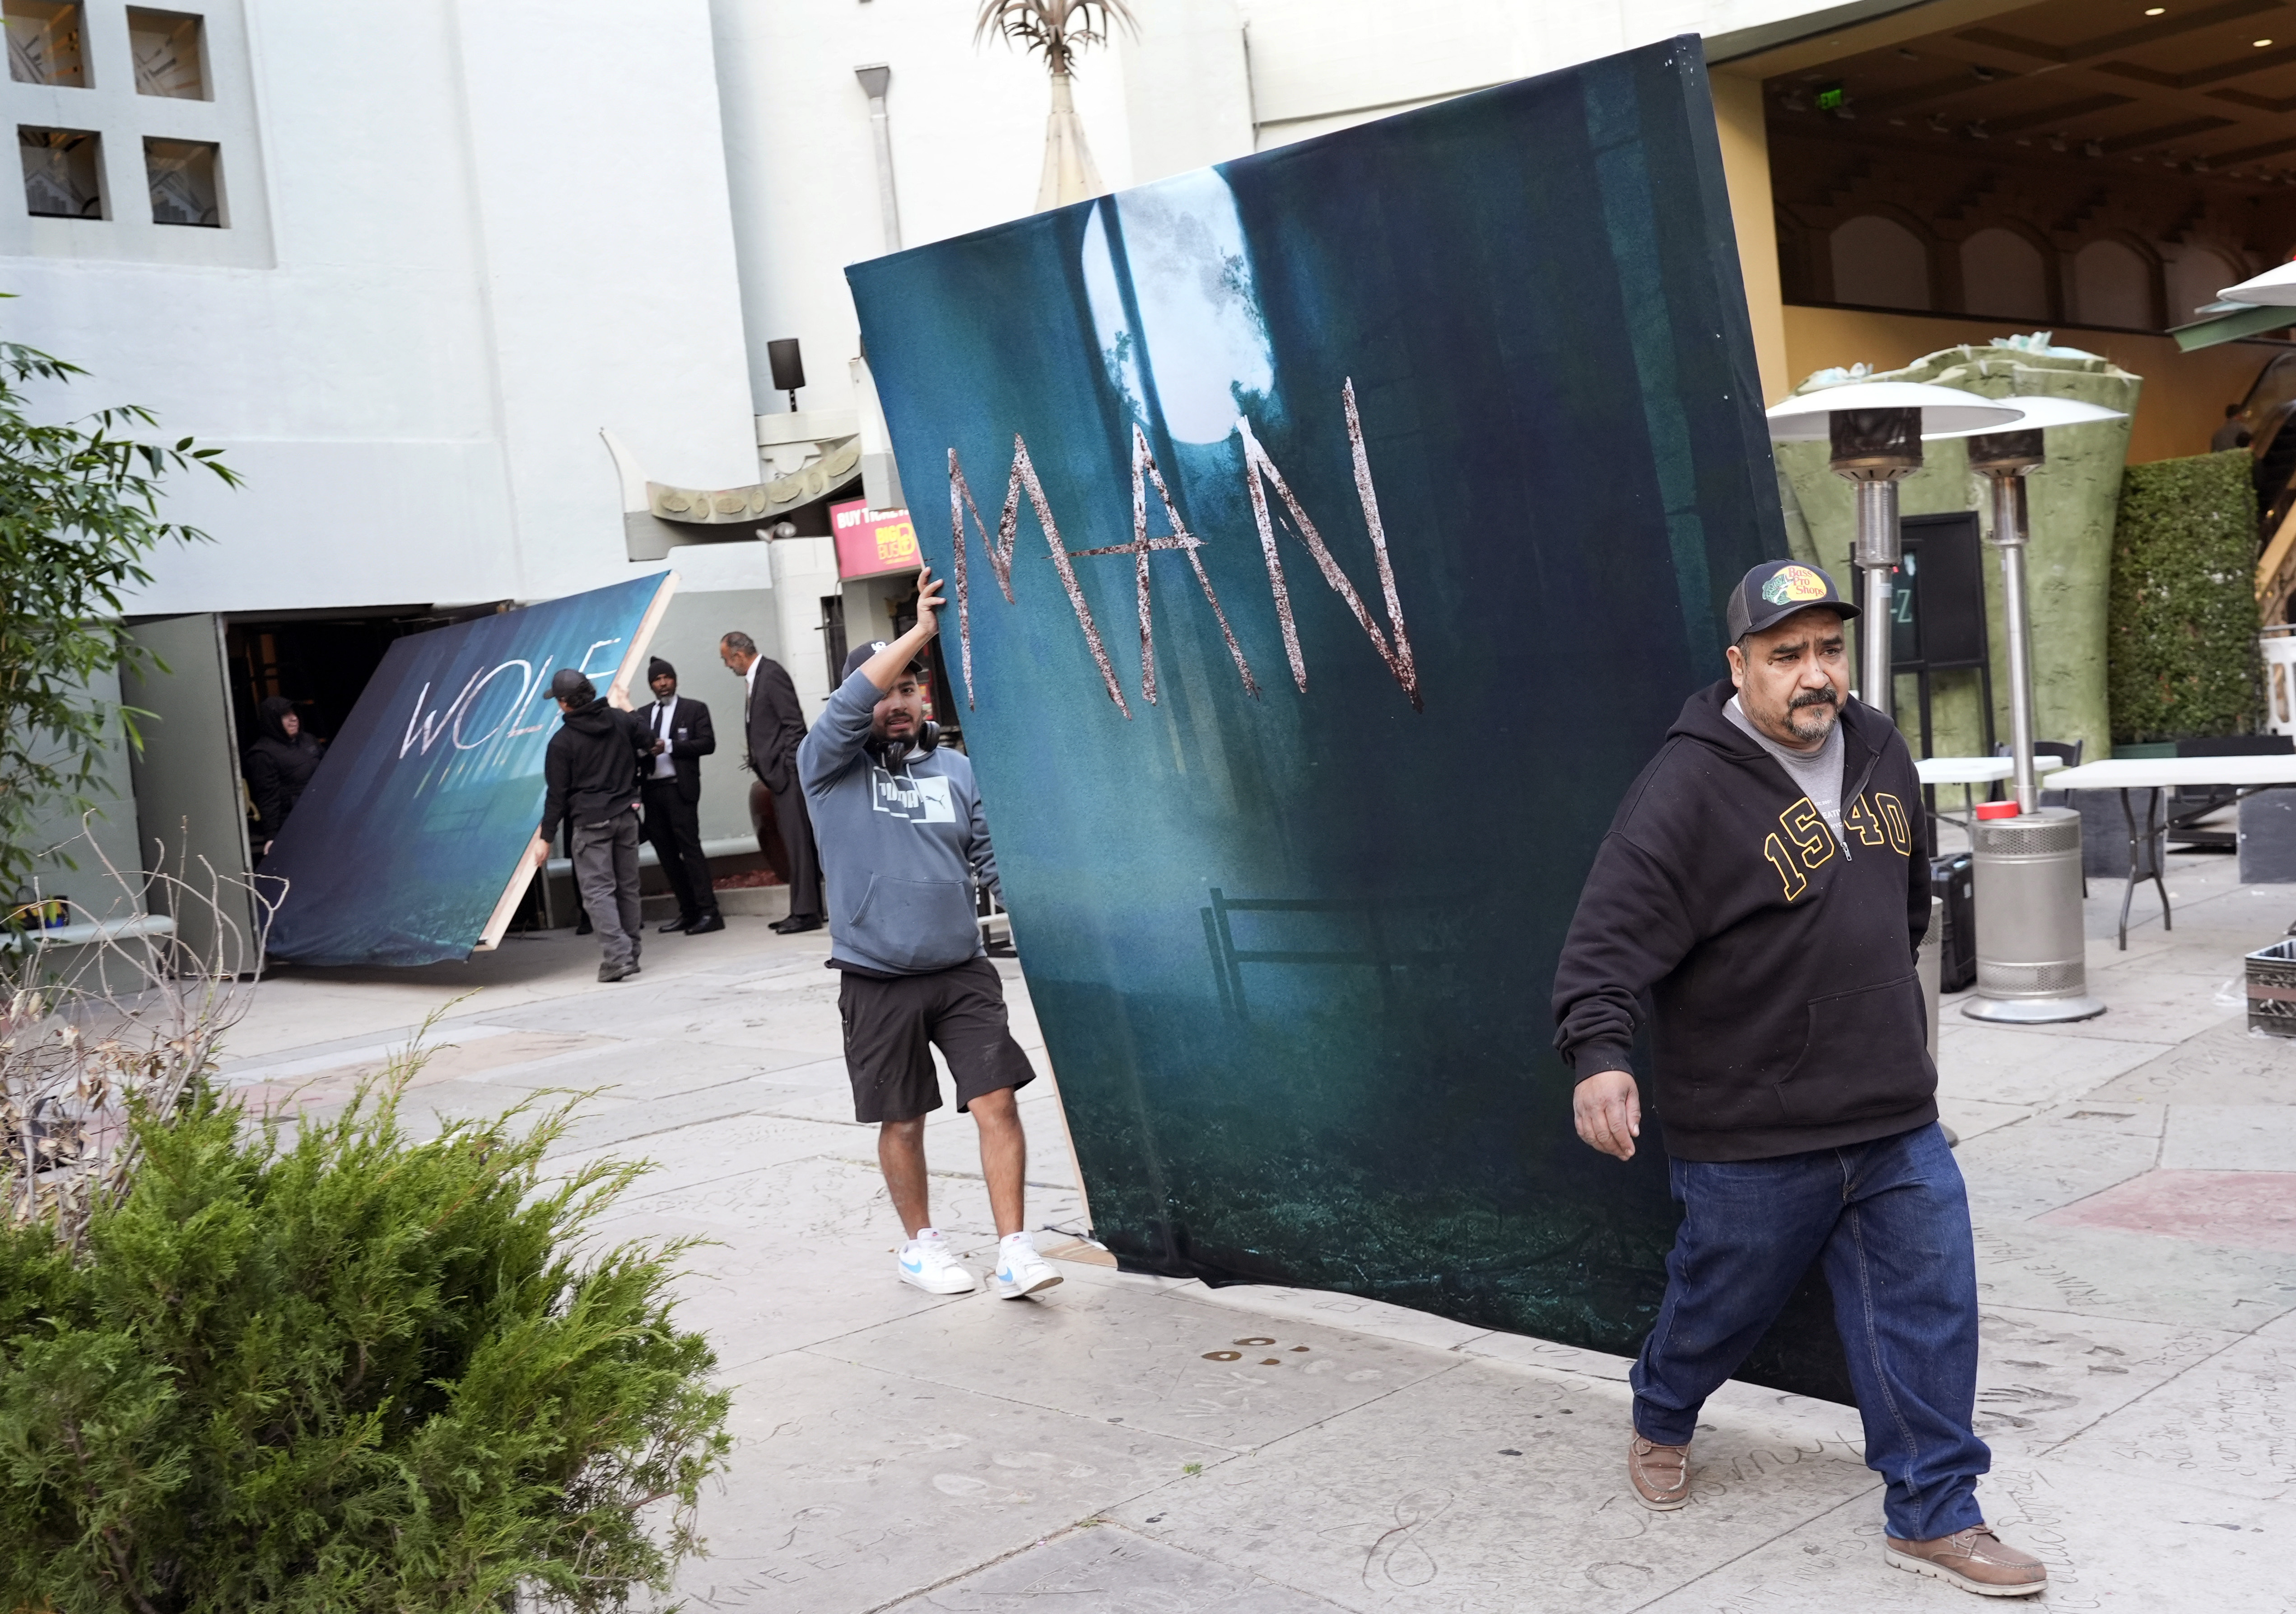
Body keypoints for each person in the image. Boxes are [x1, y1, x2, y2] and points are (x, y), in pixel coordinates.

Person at [1551, 560, 2045, 1600]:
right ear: (1739, 666)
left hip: (1890, 1113)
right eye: (1787, 655)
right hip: (1750, 1128)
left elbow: (1904, 908)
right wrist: (1599, 1058)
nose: (1814, 674)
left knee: (1930, 1305)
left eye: (1827, 648)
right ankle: (1663, 1405)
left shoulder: (1879, 749)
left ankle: (1934, 1508)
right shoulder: (1681, 789)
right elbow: (1603, 949)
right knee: (1717, 1306)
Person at [797, 566, 1059, 1302]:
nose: (899, 700)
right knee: (902, 1118)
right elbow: (850, 705)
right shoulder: (826, 769)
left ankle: (1014, 1246)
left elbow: (993, 860)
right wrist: (917, 630)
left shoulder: (958, 770)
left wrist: (1052, 932)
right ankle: (922, 1245)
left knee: (996, 1096)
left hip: (960, 970)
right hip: (876, 977)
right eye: (886, 690)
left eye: (910, 686)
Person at [536, 668, 650, 983]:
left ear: (563, 704)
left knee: (598, 893)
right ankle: (631, 955)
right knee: (627, 887)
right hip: (627, 817)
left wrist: (546, 838)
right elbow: (649, 739)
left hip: (591, 824)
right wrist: (626, 704)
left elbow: (556, 796)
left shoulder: (562, 742)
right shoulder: (619, 719)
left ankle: (617, 958)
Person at [718, 630, 825, 935]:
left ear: (739, 655)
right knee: (794, 846)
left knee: (799, 844)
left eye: (726, 659)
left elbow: (794, 726)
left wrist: (788, 767)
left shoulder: (772, 674)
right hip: (776, 778)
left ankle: (807, 914)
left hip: (787, 777)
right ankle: (802, 909)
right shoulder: (755, 678)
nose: (727, 666)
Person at [638, 657, 724, 935]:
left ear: (675, 679)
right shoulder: (641, 715)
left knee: (691, 851)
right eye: (657, 680)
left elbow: (708, 744)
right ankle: (688, 912)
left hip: (680, 789)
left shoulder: (694, 709)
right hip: (652, 792)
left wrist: (670, 746)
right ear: (651, 684)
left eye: (667, 678)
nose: (663, 684)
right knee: (666, 855)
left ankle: (710, 912)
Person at [243, 695, 323, 858]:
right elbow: (268, 796)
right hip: (295, 821)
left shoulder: (308, 740)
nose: (294, 719)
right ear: (273, 720)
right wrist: (272, 835)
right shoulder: (262, 754)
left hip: (322, 813)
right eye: (286, 715)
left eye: (294, 713)